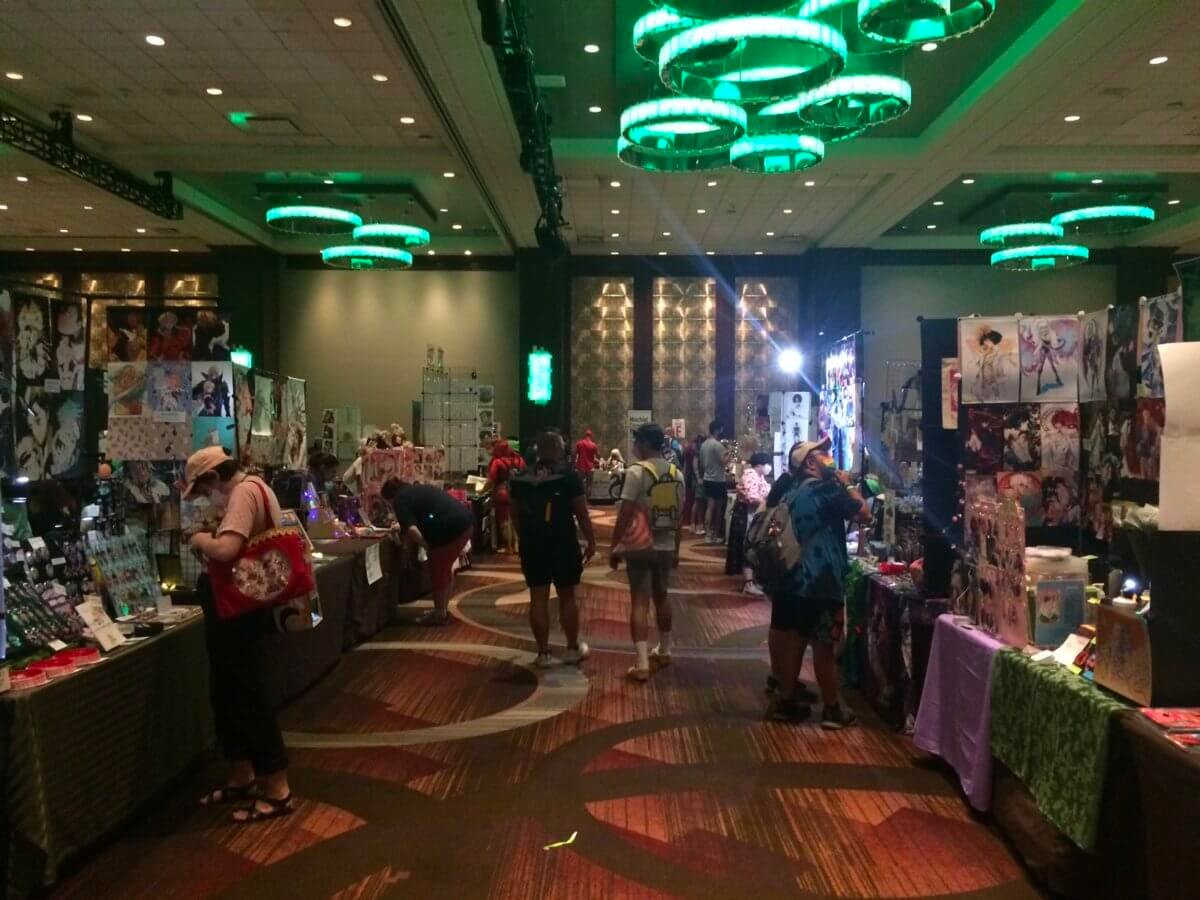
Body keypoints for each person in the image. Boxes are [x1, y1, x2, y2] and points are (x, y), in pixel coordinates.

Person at [186, 447, 294, 823]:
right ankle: (243, 773)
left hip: (239, 609)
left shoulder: (245, 492)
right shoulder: (253, 489)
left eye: (202, 489)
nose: (205, 498)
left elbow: (227, 548)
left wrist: (201, 540)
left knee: (248, 692)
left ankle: (277, 787)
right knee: (229, 690)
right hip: (237, 607)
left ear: (214, 478)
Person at [767, 437, 873, 728]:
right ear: (810, 463)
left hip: (794, 577)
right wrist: (847, 482)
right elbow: (864, 512)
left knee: (795, 641)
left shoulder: (793, 490)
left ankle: (785, 701)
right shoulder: (825, 489)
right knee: (824, 646)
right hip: (822, 578)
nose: (829, 455)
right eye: (822, 453)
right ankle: (832, 709)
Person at [510, 428, 597, 667]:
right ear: (557, 449)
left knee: (537, 596)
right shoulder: (569, 477)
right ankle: (571, 648)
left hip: (532, 543)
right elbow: (581, 513)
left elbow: (514, 514)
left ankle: (543, 653)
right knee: (567, 595)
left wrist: (523, 537)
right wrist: (591, 541)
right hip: (563, 542)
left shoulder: (520, 477)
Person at [610, 423, 684, 683]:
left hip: (640, 544)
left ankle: (641, 663)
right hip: (665, 544)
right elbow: (679, 518)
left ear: (643, 443)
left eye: (636, 442)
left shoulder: (636, 472)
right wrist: (677, 548)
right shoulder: (677, 472)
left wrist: (614, 545)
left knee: (639, 601)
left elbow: (625, 512)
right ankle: (665, 650)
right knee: (662, 596)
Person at [382, 477, 474, 625]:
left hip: (452, 528)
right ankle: (442, 610)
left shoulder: (400, 500)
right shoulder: (415, 490)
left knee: (438, 570)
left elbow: (411, 529)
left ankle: (440, 615)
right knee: (445, 570)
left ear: (390, 497)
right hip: (465, 523)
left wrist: (427, 546)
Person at [726, 452, 772, 595]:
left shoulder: (760, 476)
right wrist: (766, 502)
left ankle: (753, 580)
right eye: (767, 464)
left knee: (755, 546)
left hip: (756, 515)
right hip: (748, 515)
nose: (769, 467)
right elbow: (751, 496)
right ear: (759, 465)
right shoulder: (750, 475)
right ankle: (748, 582)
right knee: (749, 545)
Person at [485, 439, 525, 552]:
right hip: (518, 493)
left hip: (502, 492)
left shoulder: (497, 462)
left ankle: (508, 546)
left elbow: (491, 480)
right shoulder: (519, 460)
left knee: (504, 520)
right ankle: (517, 544)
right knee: (515, 518)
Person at [700, 421, 730, 543]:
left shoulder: (703, 444)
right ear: (717, 430)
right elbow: (723, 462)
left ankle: (707, 534)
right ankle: (717, 535)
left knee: (709, 507)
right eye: (721, 429)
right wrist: (729, 454)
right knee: (719, 508)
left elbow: (701, 463)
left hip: (707, 478)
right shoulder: (717, 445)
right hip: (718, 479)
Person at [574, 428, 599, 497]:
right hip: (590, 467)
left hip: (580, 466)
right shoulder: (593, 445)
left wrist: (574, 462)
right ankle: (588, 501)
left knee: (579, 484)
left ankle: (581, 500)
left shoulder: (579, 443)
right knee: (589, 484)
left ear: (584, 435)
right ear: (591, 436)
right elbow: (597, 455)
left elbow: (574, 453)